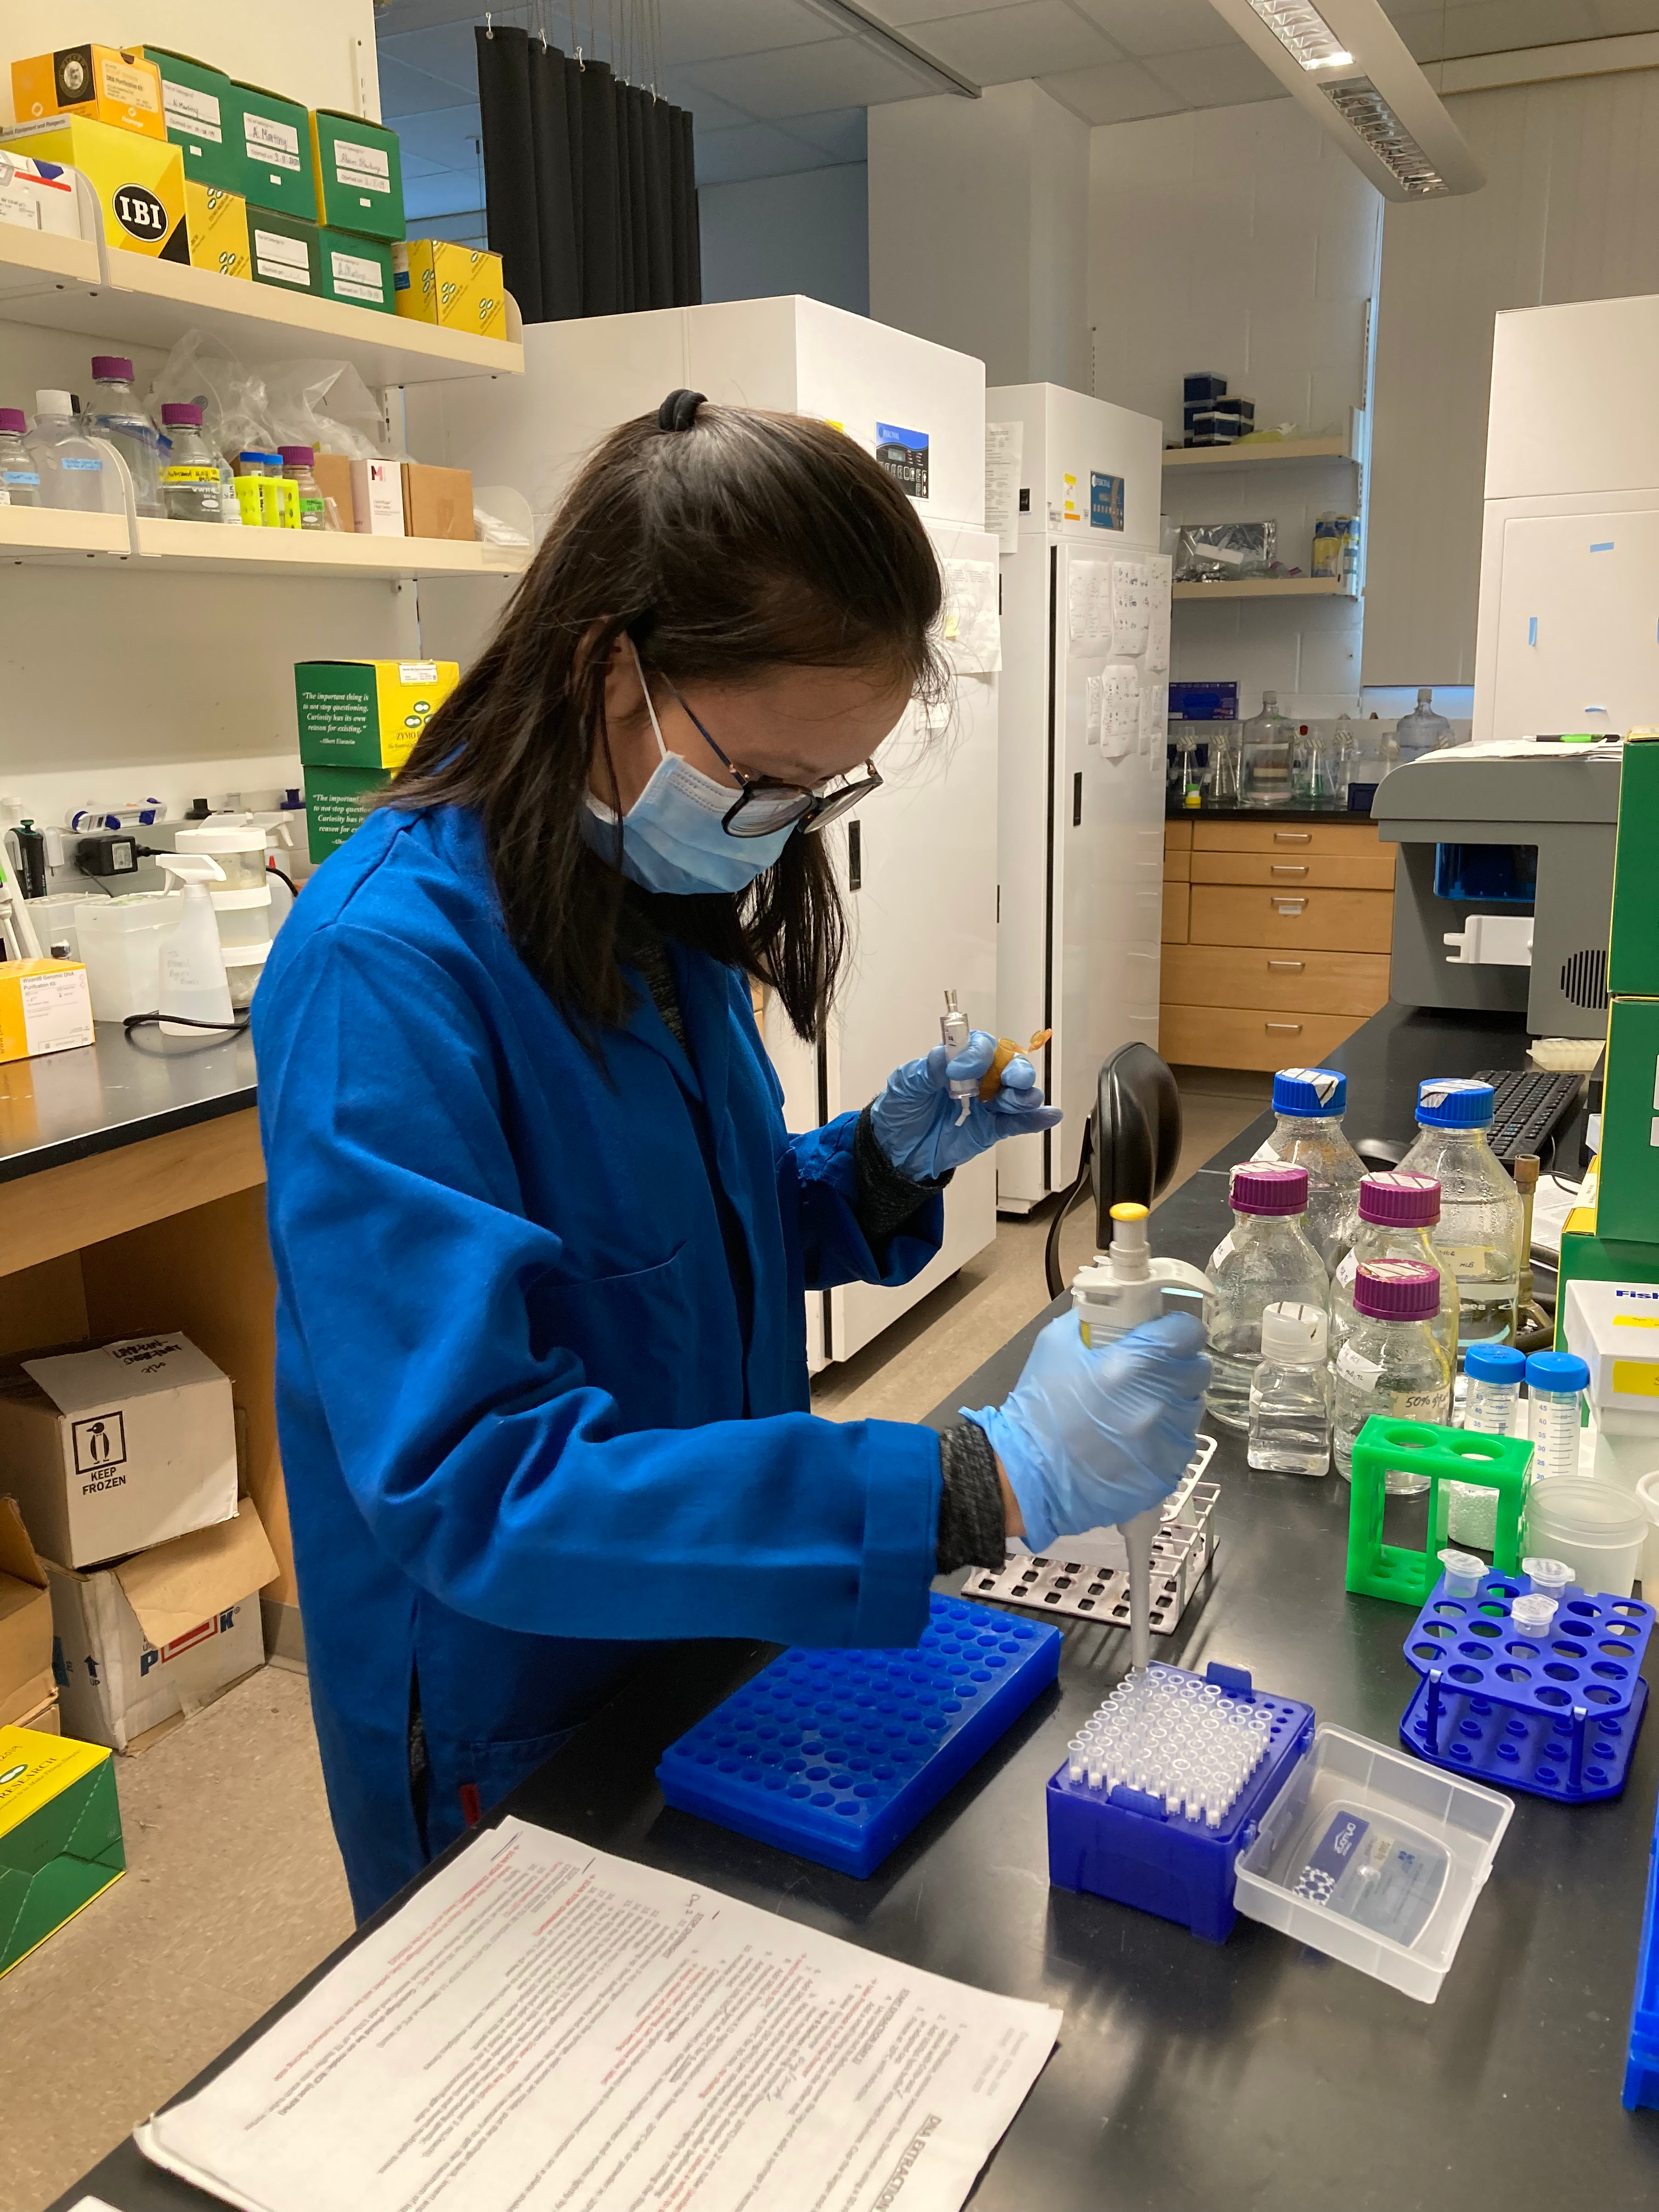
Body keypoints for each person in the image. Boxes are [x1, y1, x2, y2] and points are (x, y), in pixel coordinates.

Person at [255, 392, 1209, 1918]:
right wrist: (977, 1483)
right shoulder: (386, 972)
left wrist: (877, 1170)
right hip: (523, 1701)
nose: (774, 832)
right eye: (761, 783)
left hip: (723, 1607)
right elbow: (469, 1483)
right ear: (605, 664)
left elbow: (692, 1246)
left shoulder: (638, 903)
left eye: (818, 794)